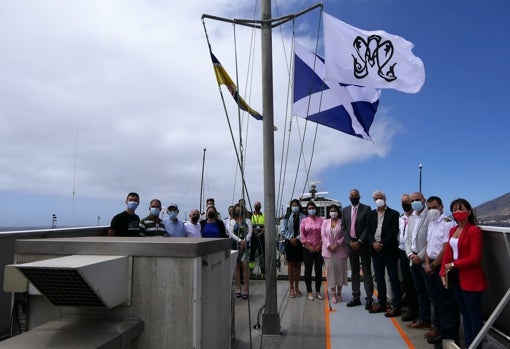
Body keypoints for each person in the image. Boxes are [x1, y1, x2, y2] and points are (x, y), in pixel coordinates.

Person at [441, 198, 487, 349]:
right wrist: (443, 271)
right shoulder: (453, 230)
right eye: (454, 210)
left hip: (471, 279)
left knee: (474, 316)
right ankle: (468, 344)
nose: (457, 212)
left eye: (460, 209)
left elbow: (475, 258)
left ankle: (477, 345)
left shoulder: (474, 231)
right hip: (457, 279)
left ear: (468, 211)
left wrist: (454, 264)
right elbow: (448, 252)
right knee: (464, 314)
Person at [424, 196, 459, 345]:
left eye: (435, 207)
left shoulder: (447, 223)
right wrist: (427, 263)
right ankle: (441, 330)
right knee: (436, 300)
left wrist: (433, 266)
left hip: (442, 266)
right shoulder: (431, 222)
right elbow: (428, 245)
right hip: (430, 264)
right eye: (430, 208)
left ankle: (450, 335)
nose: (432, 210)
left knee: (447, 301)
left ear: (441, 207)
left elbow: (445, 249)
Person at [366, 190, 402, 317]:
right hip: (375, 252)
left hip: (389, 251)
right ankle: (382, 304)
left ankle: (397, 306)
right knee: (379, 278)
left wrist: (382, 244)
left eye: (380, 197)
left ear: (385, 198)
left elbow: (393, 232)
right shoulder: (371, 214)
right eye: (376, 198)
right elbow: (368, 231)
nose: (378, 199)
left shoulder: (394, 214)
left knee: (393, 279)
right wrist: (373, 243)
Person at [340, 189, 374, 309]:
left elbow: (368, 227)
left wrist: (360, 241)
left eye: (355, 196)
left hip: (363, 245)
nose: (353, 197)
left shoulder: (366, 209)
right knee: (354, 271)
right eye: (352, 196)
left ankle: (369, 298)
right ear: (349, 197)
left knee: (366, 271)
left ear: (359, 197)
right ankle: (356, 297)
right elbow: (343, 227)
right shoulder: (345, 210)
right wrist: (349, 242)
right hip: (351, 245)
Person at [405, 192, 432, 329]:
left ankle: (435, 323)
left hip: (424, 259)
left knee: (431, 292)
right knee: (420, 291)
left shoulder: (430, 216)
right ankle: (424, 318)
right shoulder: (411, 218)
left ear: (424, 200)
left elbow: (432, 240)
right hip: (412, 259)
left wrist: (420, 256)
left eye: (418, 200)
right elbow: (407, 238)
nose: (415, 202)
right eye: (413, 200)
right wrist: (410, 254)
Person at [398, 193, 419, 322]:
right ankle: (412, 310)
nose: (405, 204)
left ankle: (420, 312)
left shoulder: (416, 218)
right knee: (407, 283)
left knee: (417, 284)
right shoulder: (401, 218)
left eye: (407, 202)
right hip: (402, 252)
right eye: (403, 202)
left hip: (414, 254)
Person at [321, 204, 348, 304]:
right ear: (329, 212)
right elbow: (323, 235)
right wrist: (329, 245)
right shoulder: (325, 222)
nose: (333, 212)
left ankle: (339, 293)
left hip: (340, 250)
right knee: (331, 272)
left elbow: (345, 235)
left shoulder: (342, 222)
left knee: (340, 272)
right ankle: (333, 294)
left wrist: (337, 244)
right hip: (328, 252)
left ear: (338, 212)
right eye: (331, 211)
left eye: (335, 210)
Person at [280, 199, 305, 298]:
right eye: (293, 205)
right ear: (290, 207)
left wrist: (297, 238)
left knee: (298, 266)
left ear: (299, 206)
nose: (294, 207)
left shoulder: (304, 217)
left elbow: (304, 230)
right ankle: (291, 287)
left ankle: (297, 287)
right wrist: (291, 238)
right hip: (289, 243)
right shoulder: (286, 217)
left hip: (299, 243)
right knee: (291, 265)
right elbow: (282, 230)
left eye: (296, 205)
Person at [300, 200, 324, 301]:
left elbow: (324, 234)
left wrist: (320, 245)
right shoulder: (304, 221)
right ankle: (309, 291)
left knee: (319, 271)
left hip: (319, 248)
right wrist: (308, 246)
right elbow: (302, 234)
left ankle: (318, 291)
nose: (311, 210)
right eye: (309, 208)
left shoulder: (321, 220)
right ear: (307, 210)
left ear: (316, 209)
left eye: (313, 208)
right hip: (307, 249)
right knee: (308, 270)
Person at [229, 204, 253, 299]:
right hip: (234, 245)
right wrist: (239, 241)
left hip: (246, 246)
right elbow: (230, 233)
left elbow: (250, 232)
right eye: (236, 210)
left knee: (245, 266)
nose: (238, 212)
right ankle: (238, 287)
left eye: (240, 210)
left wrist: (244, 241)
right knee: (236, 266)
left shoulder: (248, 221)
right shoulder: (231, 221)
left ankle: (246, 288)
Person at [249, 201, 265, 276]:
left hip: (261, 236)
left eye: (258, 205)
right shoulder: (251, 216)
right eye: (256, 205)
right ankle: (250, 270)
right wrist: (254, 232)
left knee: (262, 253)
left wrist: (261, 233)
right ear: (254, 206)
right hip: (253, 236)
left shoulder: (263, 216)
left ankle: (263, 270)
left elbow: (265, 225)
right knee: (252, 254)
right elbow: (249, 225)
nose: (257, 206)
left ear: (260, 207)